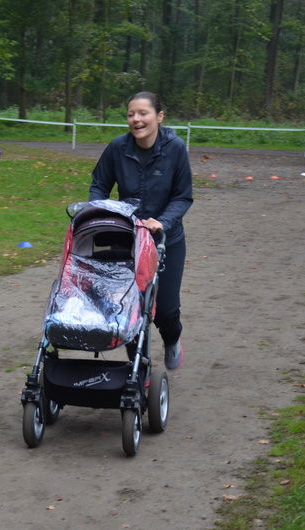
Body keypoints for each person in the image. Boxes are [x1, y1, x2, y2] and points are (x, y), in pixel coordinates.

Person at [88, 91, 193, 370]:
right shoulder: (117, 148)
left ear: (159, 116)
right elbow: (99, 184)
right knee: (130, 307)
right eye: (131, 114)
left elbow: (183, 196)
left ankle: (172, 340)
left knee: (165, 311)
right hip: (127, 240)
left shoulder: (175, 148)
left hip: (164, 240)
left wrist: (163, 222)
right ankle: (139, 369)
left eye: (143, 113)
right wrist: (99, 210)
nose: (136, 119)